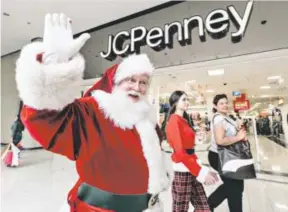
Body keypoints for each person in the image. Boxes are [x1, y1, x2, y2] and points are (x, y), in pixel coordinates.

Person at [15, 13, 173, 212]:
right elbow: (44, 117)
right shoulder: (92, 110)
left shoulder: (146, 119)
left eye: (143, 82)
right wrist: (53, 64)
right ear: (115, 84)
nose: (137, 86)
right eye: (130, 80)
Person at [165, 90, 218, 212]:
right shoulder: (174, 121)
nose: (187, 102)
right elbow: (180, 152)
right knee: (181, 208)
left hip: (191, 165)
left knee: (203, 206)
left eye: (187, 99)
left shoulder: (183, 120)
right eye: (184, 99)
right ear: (175, 102)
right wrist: (201, 172)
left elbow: (188, 144)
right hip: (182, 168)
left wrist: (198, 138)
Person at [207, 94, 248, 212]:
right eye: (221, 103)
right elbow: (220, 141)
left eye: (226, 102)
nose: (225, 105)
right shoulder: (218, 118)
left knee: (236, 187)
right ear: (215, 106)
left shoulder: (227, 117)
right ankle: (207, 205)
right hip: (220, 156)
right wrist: (238, 137)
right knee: (235, 189)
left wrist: (239, 127)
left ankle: (207, 206)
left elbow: (234, 134)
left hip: (230, 155)